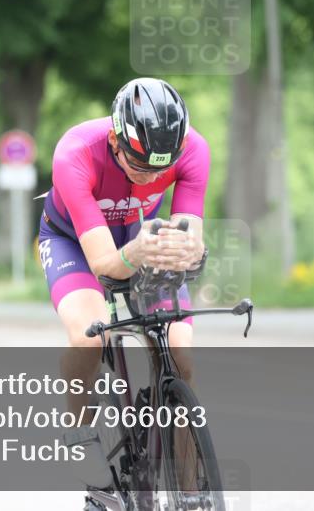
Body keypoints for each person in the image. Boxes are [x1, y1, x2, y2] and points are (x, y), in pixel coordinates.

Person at [37, 77, 209, 483]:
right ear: (116, 141)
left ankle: (188, 488)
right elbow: (103, 265)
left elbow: (191, 236)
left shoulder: (193, 149)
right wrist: (135, 255)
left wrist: (190, 252)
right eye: (140, 166)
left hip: (138, 234)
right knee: (90, 336)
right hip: (74, 243)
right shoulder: (75, 153)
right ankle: (81, 425)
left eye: (162, 168)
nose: (152, 178)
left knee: (181, 359)